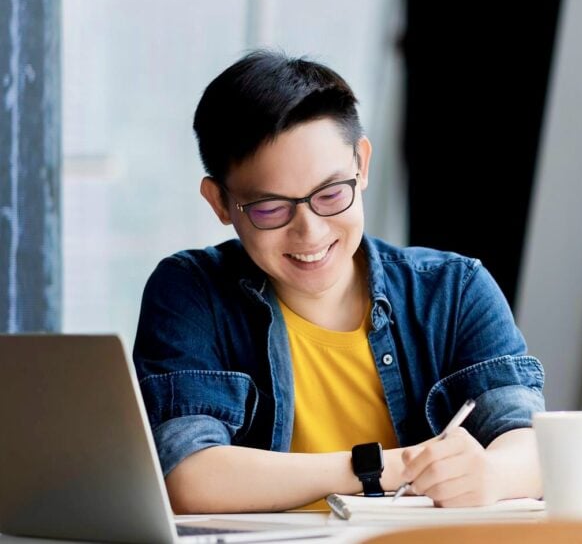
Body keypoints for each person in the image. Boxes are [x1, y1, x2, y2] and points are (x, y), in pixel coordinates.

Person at [133, 50, 545, 514]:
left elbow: (532, 446)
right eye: (271, 208)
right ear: (221, 203)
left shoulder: (452, 290)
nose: (310, 231)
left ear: (362, 164)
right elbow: (189, 478)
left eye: (331, 194)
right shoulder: (191, 293)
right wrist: (385, 467)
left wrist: (488, 475)